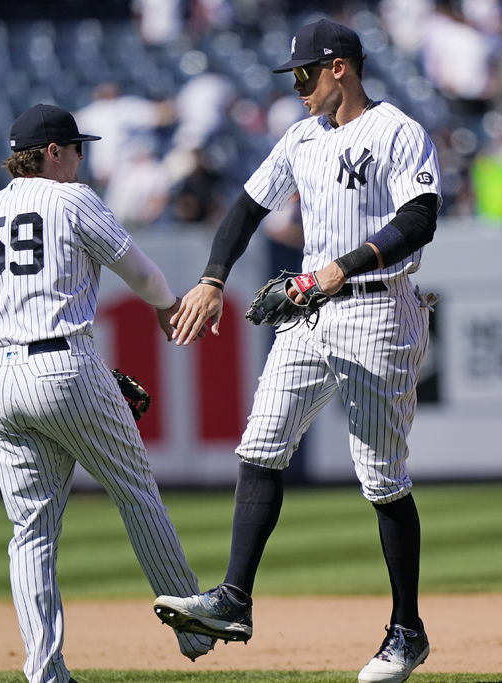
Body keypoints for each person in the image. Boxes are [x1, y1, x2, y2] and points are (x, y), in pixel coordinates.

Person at [151, 18, 440, 683]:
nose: (299, 87)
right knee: (260, 447)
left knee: (381, 477)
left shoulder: (396, 129)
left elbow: (420, 216)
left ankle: (407, 630)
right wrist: (212, 278)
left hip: (378, 306)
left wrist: (340, 267)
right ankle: (234, 598)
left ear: (340, 68)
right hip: (309, 311)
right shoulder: (301, 137)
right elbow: (246, 208)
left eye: (306, 74)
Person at [0, 103, 215, 683]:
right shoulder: (72, 199)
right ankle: (195, 630)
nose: (81, 159)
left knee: (30, 532)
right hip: (63, 364)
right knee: (136, 493)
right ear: (52, 153)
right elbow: (139, 270)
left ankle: (44, 671)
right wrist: (170, 308)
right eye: (76, 149)